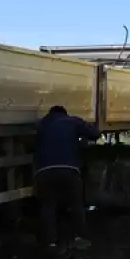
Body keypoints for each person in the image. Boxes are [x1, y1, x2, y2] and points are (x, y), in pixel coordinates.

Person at [34, 105, 100, 247]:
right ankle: (80, 237)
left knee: (48, 206)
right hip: (69, 169)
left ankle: (51, 241)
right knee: (76, 204)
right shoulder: (72, 121)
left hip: (44, 171)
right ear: (65, 113)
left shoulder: (42, 124)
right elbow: (95, 134)